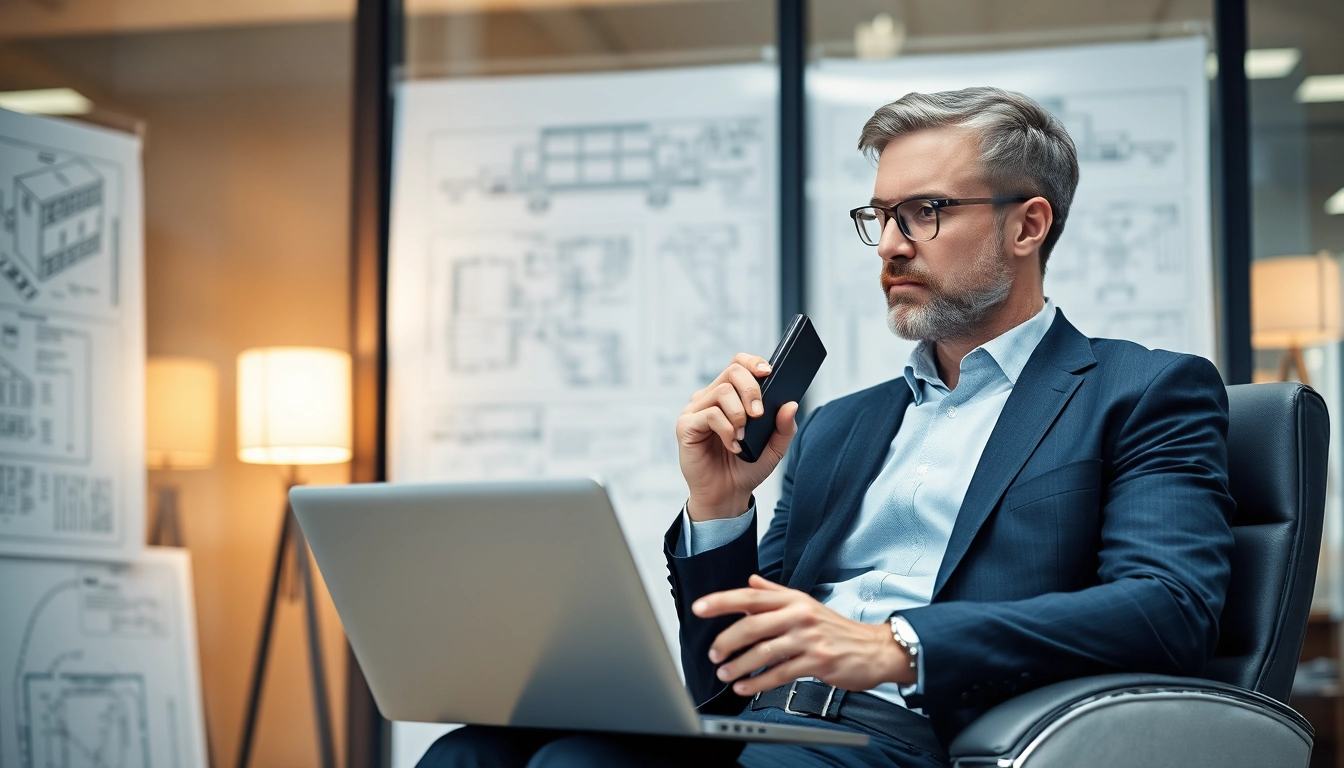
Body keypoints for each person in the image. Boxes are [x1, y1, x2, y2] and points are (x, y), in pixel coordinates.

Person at [419, 86, 1234, 768]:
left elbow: (1168, 609)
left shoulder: (1142, 390)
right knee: (471, 751)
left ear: (1028, 226)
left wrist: (900, 646)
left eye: (924, 212)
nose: (887, 247)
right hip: (768, 724)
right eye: (878, 216)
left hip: (914, 735)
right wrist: (718, 507)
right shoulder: (842, 425)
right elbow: (724, 676)